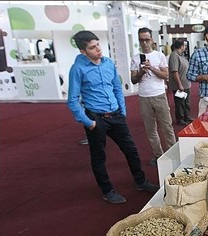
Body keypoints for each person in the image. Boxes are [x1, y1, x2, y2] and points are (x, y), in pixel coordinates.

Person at [66, 30, 159, 204]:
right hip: (95, 118)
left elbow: (117, 88)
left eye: (98, 45)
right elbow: (72, 100)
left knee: (131, 150)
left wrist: (122, 111)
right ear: (83, 52)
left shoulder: (108, 63)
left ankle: (140, 181)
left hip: (116, 115)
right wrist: (88, 122)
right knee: (99, 156)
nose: (98, 50)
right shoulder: (77, 69)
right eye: (92, 48)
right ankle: (107, 190)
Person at [130, 27, 177, 167]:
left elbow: (166, 75)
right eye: (141, 40)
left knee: (167, 127)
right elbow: (133, 80)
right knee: (150, 129)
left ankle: (173, 154)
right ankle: (158, 155)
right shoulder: (135, 58)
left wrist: (151, 68)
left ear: (152, 40)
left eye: (147, 39)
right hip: (144, 97)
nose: (144, 43)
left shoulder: (159, 56)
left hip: (159, 95)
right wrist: (141, 72)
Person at [168, 39, 193, 126]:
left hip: (185, 84)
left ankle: (187, 117)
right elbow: (175, 72)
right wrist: (179, 85)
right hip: (179, 85)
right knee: (180, 103)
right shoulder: (174, 56)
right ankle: (180, 119)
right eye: (184, 45)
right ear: (181, 46)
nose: (185, 47)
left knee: (186, 102)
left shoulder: (181, 56)